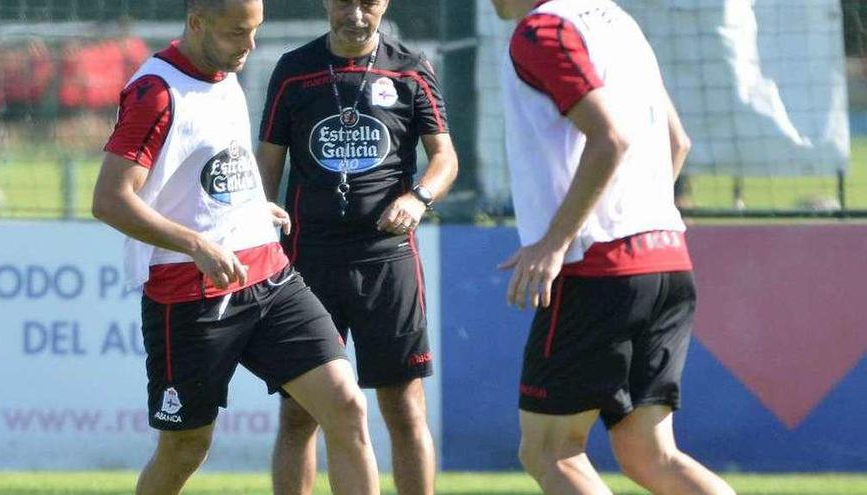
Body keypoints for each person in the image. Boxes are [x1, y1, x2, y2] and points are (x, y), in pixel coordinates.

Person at [91, 1, 380, 494]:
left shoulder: (225, 73)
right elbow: (110, 200)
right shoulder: (155, 92)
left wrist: (247, 210)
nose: (249, 46)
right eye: (235, 33)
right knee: (186, 448)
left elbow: (209, 173)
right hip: (189, 297)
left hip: (270, 277)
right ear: (196, 22)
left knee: (346, 405)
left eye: (255, 31)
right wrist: (197, 243)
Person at [490, 1, 737, 494]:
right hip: (666, 258)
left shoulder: (540, 31)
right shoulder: (618, 21)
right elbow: (678, 142)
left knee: (549, 450)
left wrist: (554, 243)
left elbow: (610, 139)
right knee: (651, 455)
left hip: (599, 270)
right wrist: (632, 221)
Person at [257, 1, 458, 493]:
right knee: (300, 413)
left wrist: (419, 197)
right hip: (308, 264)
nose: (356, 12)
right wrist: (261, 221)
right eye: (345, 0)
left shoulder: (410, 68)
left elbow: (445, 158)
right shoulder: (293, 70)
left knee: (405, 408)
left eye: (367, 1)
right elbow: (268, 165)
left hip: (387, 260)